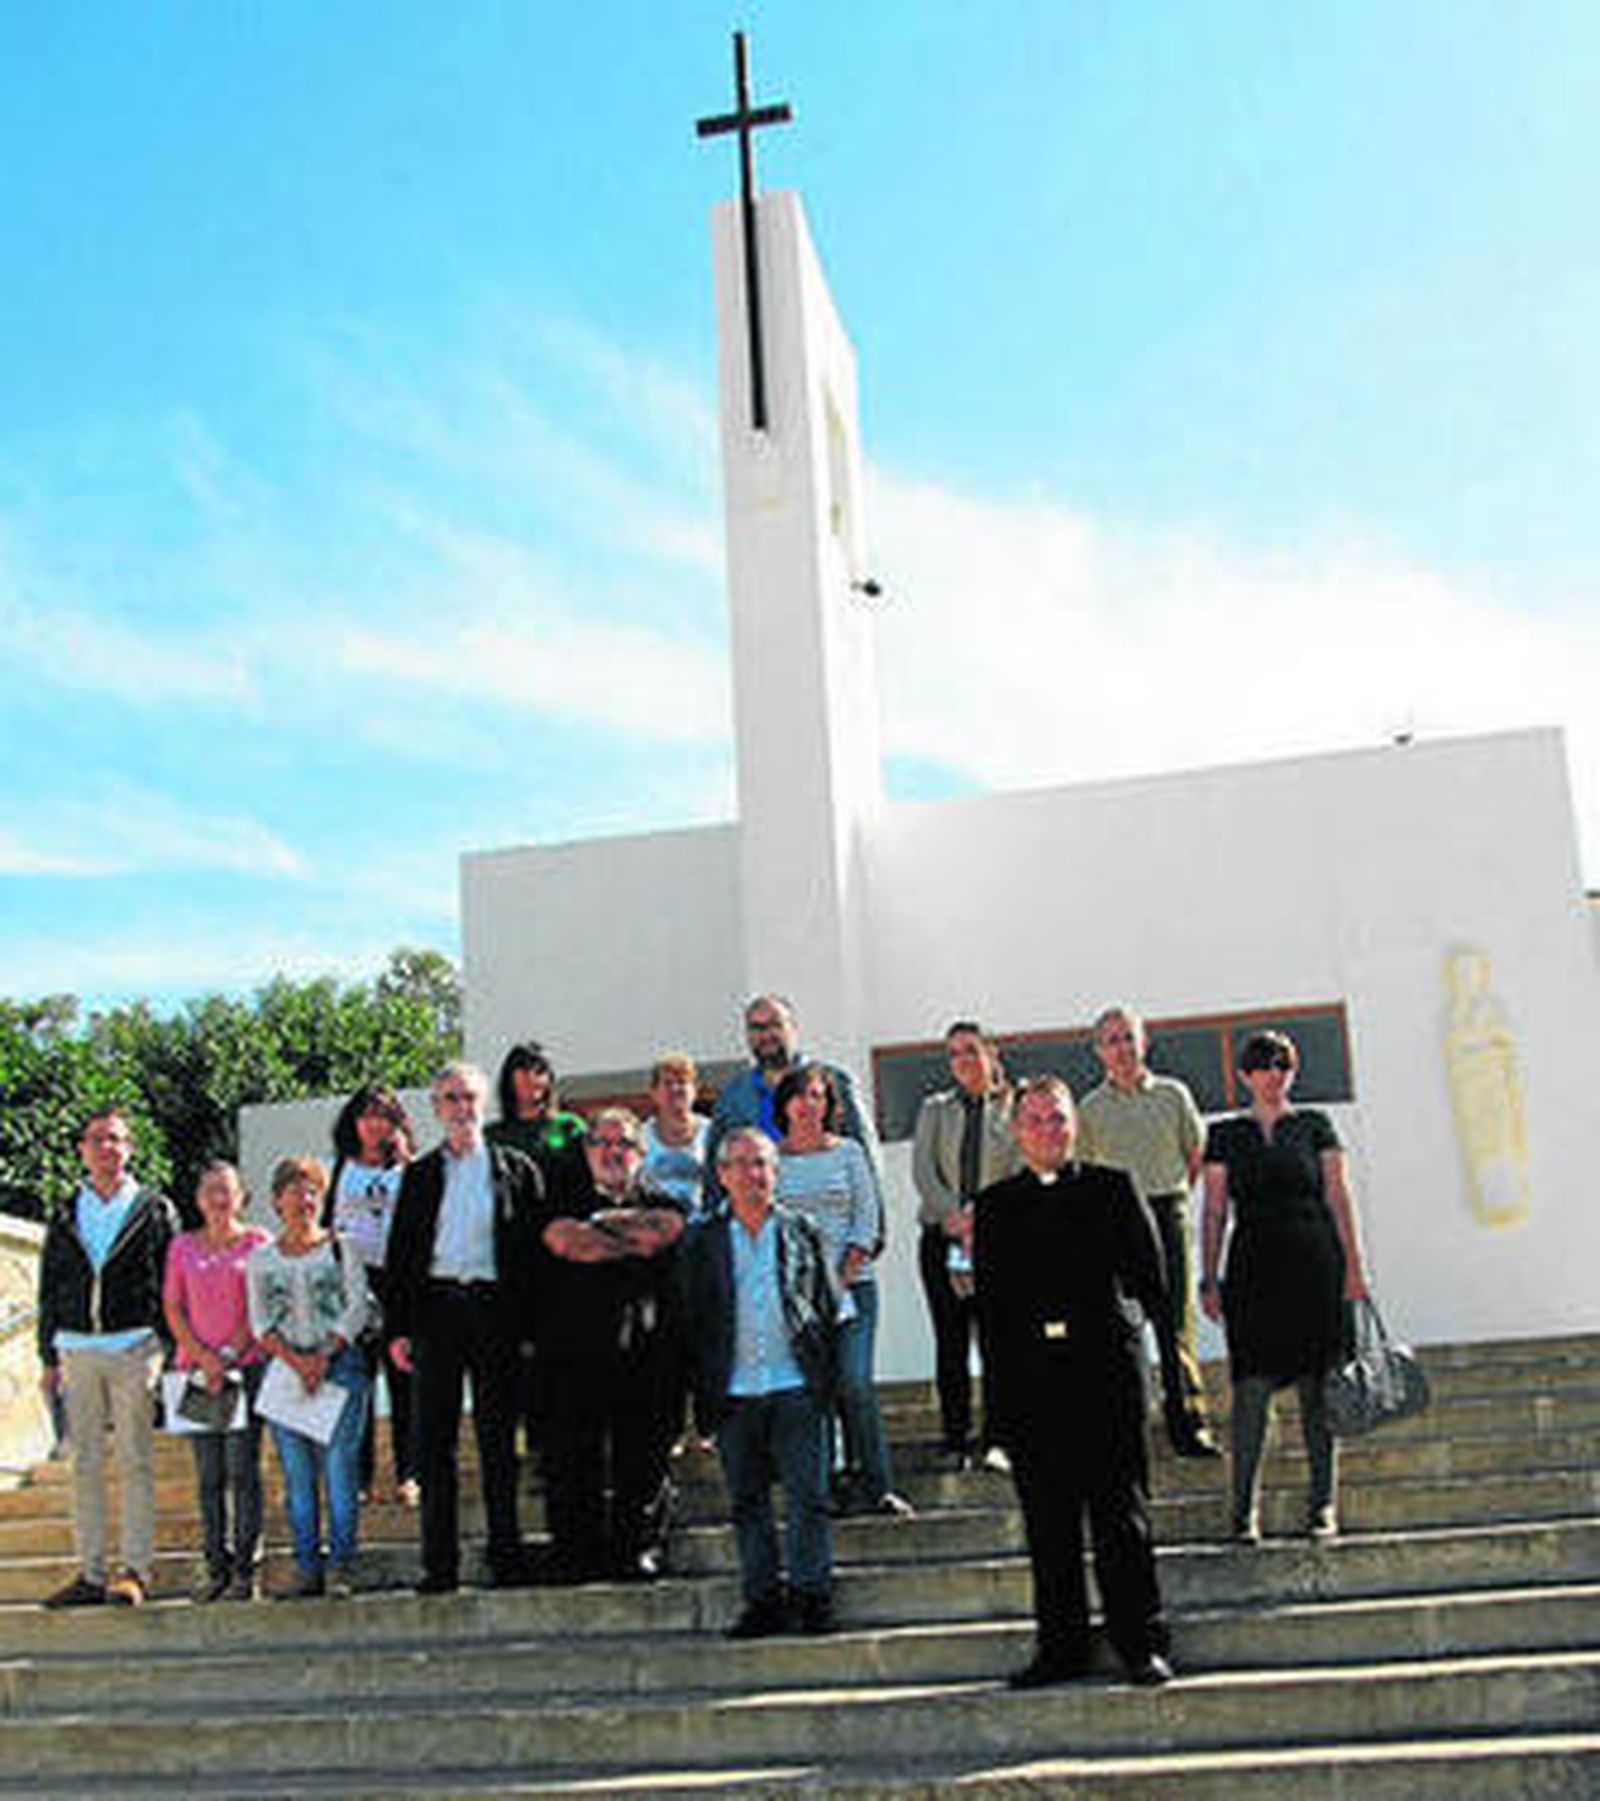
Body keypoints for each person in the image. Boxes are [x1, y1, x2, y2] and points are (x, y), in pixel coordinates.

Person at [974, 1076, 1188, 1689]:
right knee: (1049, 1524)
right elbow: (991, 1318)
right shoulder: (995, 1208)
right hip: (1035, 1386)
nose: (1048, 1130)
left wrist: (1167, 1387)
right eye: (1035, 1120)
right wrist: (999, 1417)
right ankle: (1060, 1648)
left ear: (1075, 1124)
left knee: (1122, 1518)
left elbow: (1154, 1289)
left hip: (1106, 1380)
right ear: (1017, 1130)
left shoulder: (1113, 1189)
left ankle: (1139, 1642)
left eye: (1057, 1119)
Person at [1200, 1030, 1370, 1543]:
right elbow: (1213, 1210)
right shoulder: (1226, 1134)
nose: (1274, 1073)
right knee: (1251, 1390)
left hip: (1315, 1263)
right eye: (1263, 1064)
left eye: (1282, 1064)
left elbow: (1337, 1195)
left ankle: (1322, 1506)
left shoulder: (1315, 1125)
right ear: (1245, 1074)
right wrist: (1209, 1276)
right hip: (1254, 1267)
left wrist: (1354, 1268)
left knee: (1319, 1391)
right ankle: (1242, 1512)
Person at [385, 1062, 545, 1594]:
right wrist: (400, 1328)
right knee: (435, 1444)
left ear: (484, 1104)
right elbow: (402, 1255)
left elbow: (530, 1253)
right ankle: (440, 1565)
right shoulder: (421, 1174)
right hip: (437, 1310)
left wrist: (529, 1327)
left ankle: (507, 1556)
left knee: (499, 1440)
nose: (461, 1107)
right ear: (436, 1109)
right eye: (451, 1099)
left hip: (496, 1310)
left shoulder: (515, 1168)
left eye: (469, 1097)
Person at [678, 1128, 841, 1638]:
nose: (752, 1175)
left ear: (776, 1172)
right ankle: (763, 1601)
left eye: (762, 1164)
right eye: (740, 1165)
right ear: (722, 1175)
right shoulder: (700, 1240)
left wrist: (824, 1380)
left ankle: (812, 1595)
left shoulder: (802, 1231)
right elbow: (692, 1319)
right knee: (747, 1502)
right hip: (734, 1390)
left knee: (807, 1496)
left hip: (796, 1384)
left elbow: (824, 1306)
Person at [536, 1107, 687, 1582]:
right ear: (586, 1151)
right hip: (572, 1356)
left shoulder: (667, 1200)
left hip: (647, 1354)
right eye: (602, 1143)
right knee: (571, 1461)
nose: (612, 1152)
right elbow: (568, 1243)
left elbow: (665, 1231)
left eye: (623, 1144)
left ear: (642, 1154)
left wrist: (599, 1230)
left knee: (642, 1462)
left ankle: (639, 1549)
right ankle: (576, 1554)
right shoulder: (559, 1197)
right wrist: (634, 1237)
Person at [37, 1107, 179, 1608]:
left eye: (116, 1139)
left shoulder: (154, 1207)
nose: (107, 1148)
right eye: (97, 1139)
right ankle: (91, 1572)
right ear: (82, 1149)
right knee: (85, 1465)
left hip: (135, 1345)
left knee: (137, 1460)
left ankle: (136, 1569)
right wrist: (47, 1355)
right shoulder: (64, 1209)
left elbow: (170, 1279)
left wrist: (169, 1344)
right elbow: (50, 1285)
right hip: (76, 1348)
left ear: (130, 1148)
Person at [1077, 1005, 1221, 1458]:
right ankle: (1126, 1425)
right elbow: (1083, 1171)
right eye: (1111, 1040)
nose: (1121, 1048)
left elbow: (1195, 1156)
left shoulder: (1173, 1095)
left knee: (1174, 1324)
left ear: (1144, 1042)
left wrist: (1171, 1199)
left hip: (1166, 1209)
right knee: (1121, 1326)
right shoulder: (1090, 1109)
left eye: (1128, 1038)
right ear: (1098, 1051)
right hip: (1115, 1224)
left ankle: (1189, 1423)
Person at [775, 1062, 912, 1518]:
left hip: (854, 1286)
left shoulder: (850, 1153)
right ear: (785, 1105)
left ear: (829, 1105)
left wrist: (839, 1279)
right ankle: (827, 1485)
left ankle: (877, 1484)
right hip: (797, 1297)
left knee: (854, 1382)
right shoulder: (773, 1160)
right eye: (799, 1095)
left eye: (817, 1095)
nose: (808, 1104)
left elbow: (866, 1221)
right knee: (815, 1390)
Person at [247, 1156, 372, 1599]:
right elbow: (260, 1322)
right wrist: (297, 1362)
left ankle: (341, 1563)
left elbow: (358, 1306)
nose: (305, 1199)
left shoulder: (343, 1246)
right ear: (277, 1199)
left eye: (313, 1191)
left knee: (340, 1469)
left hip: (340, 1367)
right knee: (297, 1477)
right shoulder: (260, 1259)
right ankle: (306, 1564)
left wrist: (323, 1354)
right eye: (295, 1191)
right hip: (286, 1372)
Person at [910, 1021, 1020, 1470]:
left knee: (999, 1342)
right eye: (954, 1053)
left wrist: (982, 1219)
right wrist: (953, 1217)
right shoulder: (935, 1109)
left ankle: (1000, 1439)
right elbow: (923, 1170)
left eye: (972, 1050)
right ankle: (955, 1440)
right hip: (943, 1236)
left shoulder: (1015, 1108)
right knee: (950, 1342)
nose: (964, 1061)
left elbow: (1017, 1167)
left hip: (999, 1239)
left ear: (991, 1053)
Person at [162, 1161, 271, 1601]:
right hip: (196, 1372)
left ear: (241, 1196)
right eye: (210, 1190)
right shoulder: (182, 1246)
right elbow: (173, 1307)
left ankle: (247, 1568)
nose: (218, 1199)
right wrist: (205, 1358)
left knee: (243, 1470)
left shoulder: (257, 1241)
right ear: (198, 1198)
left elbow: (260, 1305)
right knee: (209, 1477)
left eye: (226, 1190)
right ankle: (216, 1568)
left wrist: (226, 1355)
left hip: (245, 1366)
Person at [323, 1084, 419, 1506]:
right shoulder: (340, 1168)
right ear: (353, 1122)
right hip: (353, 1283)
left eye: (385, 1115)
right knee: (357, 1381)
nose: (376, 1123)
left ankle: (409, 1473)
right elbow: (325, 1228)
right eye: (368, 1114)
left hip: (399, 1281)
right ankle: (359, 1478)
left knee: (405, 1380)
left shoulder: (410, 1169)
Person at [703, 994, 885, 1217]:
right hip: (762, 1224)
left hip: (829, 1217)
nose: (766, 1035)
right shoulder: (732, 1099)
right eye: (757, 1028)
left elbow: (866, 1155)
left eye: (775, 1025)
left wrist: (874, 1221)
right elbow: (715, 1171)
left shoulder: (835, 1082)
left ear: (793, 1028)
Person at [487, 1041, 590, 1209]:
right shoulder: (491, 1136)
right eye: (524, 1069)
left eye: (540, 1071)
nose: (532, 1077)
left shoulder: (570, 1127)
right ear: (509, 1077)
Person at [640, 1052, 711, 1215]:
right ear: (654, 1093)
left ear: (695, 1090)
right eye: (668, 1083)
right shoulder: (640, 1136)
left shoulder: (713, 1133)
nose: (675, 1089)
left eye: (682, 1082)